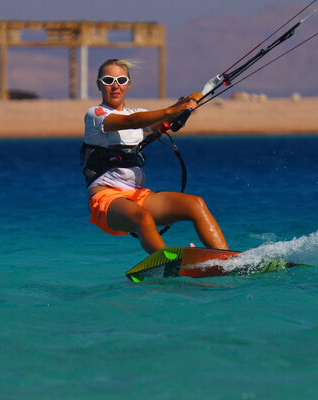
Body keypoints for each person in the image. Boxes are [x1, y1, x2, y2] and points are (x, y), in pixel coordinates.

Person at [82, 58, 229, 254]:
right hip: (106, 200)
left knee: (195, 204)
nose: (115, 86)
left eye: (121, 80)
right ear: (99, 84)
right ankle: (168, 263)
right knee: (142, 217)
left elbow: (163, 118)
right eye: (108, 80)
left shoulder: (140, 114)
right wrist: (172, 110)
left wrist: (191, 101)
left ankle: (228, 260)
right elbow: (130, 122)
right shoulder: (95, 115)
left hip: (137, 196)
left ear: (129, 84)